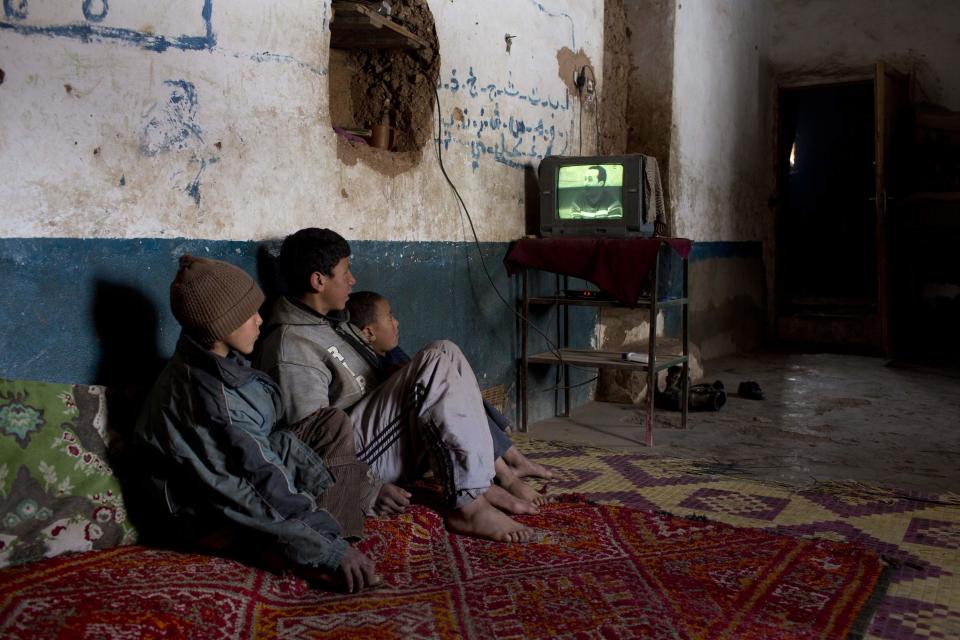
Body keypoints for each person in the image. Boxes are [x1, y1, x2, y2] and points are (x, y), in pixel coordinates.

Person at [255, 228, 533, 542]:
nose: (352, 280)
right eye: (345, 273)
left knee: (446, 352)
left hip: (381, 436)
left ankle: (479, 486)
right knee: (434, 362)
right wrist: (366, 488)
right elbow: (308, 439)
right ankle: (468, 507)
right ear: (318, 281)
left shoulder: (333, 324)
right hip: (355, 459)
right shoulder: (292, 346)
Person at [133, 255, 381, 592]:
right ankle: (322, 551)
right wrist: (331, 552)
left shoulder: (214, 357)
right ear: (220, 327)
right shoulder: (212, 402)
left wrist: (368, 484)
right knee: (279, 494)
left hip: (237, 473)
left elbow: (264, 447)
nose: (260, 321)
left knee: (331, 424)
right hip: (201, 511)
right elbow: (253, 482)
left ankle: (325, 538)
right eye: (248, 315)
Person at [345, 290, 554, 486]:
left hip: (410, 437)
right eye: (390, 317)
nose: (397, 322)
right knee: (445, 386)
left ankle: (512, 460)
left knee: (445, 351)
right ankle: (501, 475)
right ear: (369, 333)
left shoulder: (391, 353)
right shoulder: (361, 362)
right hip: (386, 452)